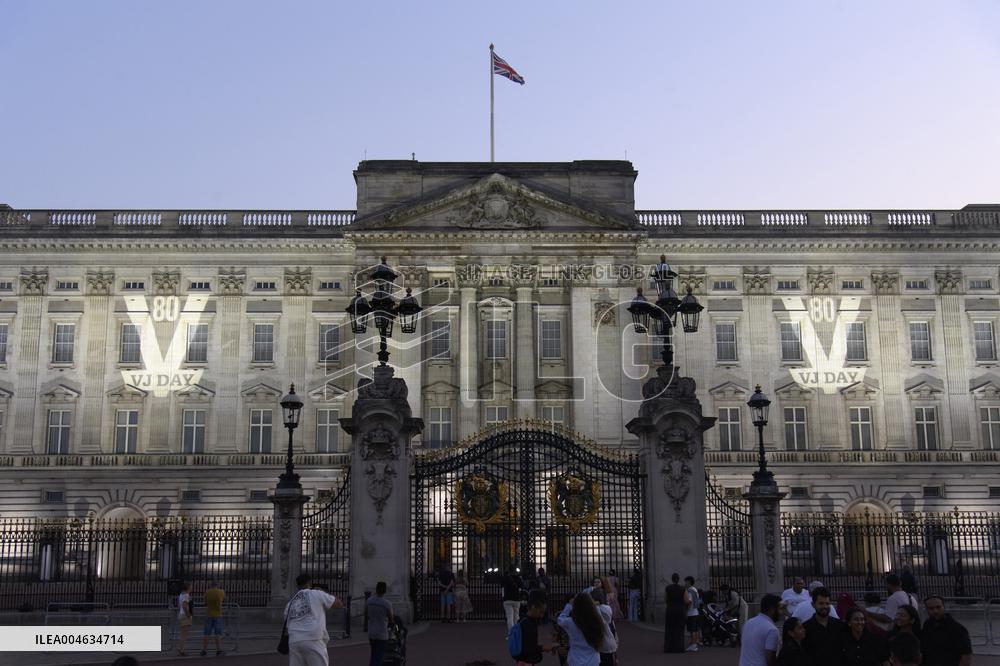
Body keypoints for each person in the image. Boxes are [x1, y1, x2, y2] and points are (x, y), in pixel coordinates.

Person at [284, 572, 342, 666]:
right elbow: (338, 604)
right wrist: (325, 592)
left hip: (294, 640)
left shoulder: (290, 603)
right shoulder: (317, 594)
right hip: (313, 638)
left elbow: (287, 624)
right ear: (309, 583)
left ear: (297, 585)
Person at [921, 595, 972, 666]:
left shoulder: (957, 629)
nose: (935, 611)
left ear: (944, 607)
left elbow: (966, 656)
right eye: (931, 608)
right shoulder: (927, 625)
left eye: (938, 607)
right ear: (926, 609)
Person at [557, 592, 604, 666]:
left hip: (576, 660)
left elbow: (560, 619)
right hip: (593, 660)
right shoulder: (596, 621)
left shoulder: (571, 622)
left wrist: (569, 605)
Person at [802, 587, 844, 666]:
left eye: (827, 603)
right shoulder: (806, 628)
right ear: (813, 604)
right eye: (821, 603)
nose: (825, 606)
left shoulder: (839, 626)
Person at [514, 590, 557, 666]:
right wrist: (544, 648)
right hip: (526, 661)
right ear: (533, 607)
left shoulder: (526, 620)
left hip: (525, 660)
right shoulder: (527, 623)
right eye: (541, 612)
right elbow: (528, 648)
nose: (542, 615)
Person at [738, 593, 781, 666]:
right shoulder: (772, 630)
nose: (781, 613)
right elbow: (770, 659)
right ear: (772, 609)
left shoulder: (748, 623)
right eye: (780, 608)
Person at [366, 581, 394, 666]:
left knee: (373, 655)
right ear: (385, 591)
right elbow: (391, 619)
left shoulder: (369, 601)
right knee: (379, 657)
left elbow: (366, 613)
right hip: (381, 633)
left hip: (371, 632)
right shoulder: (387, 604)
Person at [588, 588, 619, 666]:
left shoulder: (606, 608)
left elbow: (603, 620)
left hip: (605, 646)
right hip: (596, 647)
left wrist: (596, 607)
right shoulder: (591, 609)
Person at [663, 572, 688, 653]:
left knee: (670, 629)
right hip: (680, 610)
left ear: (672, 579)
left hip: (670, 609)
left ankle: (669, 647)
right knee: (679, 629)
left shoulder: (668, 588)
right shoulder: (683, 588)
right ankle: (679, 647)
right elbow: (686, 600)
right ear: (678, 579)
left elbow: (665, 599)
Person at [200, 579, 225, 657]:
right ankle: (219, 650)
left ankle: (204, 650)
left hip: (209, 614)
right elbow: (222, 600)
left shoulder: (207, 592)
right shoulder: (221, 592)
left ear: (211, 585)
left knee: (206, 633)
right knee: (218, 634)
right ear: (217, 585)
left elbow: (205, 602)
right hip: (218, 614)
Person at [502, 568, 524, 636]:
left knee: (509, 617)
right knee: (516, 617)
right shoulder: (518, 578)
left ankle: (511, 633)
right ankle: (517, 632)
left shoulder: (506, 578)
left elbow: (502, 588)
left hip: (507, 599)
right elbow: (521, 587)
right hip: (516, 599)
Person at [683, 575, 701, 652]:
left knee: (692, 630)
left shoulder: (689, 590)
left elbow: (689, 602)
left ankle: (693, 645)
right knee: (696, 629)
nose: (685, 583)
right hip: (696, 611)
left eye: (686, 582)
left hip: (691, 613)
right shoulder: (695, 589)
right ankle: (695, 642)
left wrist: (686, 611)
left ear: (689, 582)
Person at [177, 582, 193, 656]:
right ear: (188, 588)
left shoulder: (181, 595)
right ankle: (182, 650)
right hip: (185, 616)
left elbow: (179, 606)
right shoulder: (186, 595)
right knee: (184, 635)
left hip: (181, 614)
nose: (191, 588)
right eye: (191, 587)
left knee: (182, 634)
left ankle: (181, 649)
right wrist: (188, 615)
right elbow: (184, 606)